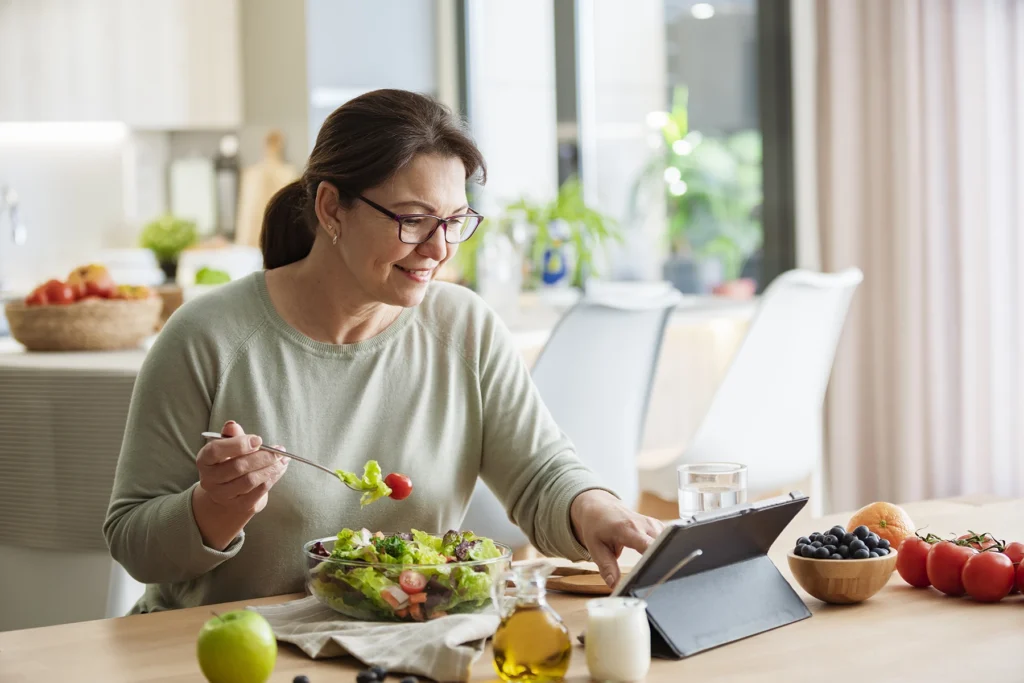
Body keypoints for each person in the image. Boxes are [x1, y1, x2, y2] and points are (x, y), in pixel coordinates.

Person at [104, 89, 664, 613]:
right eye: (414, 220)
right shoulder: (207, 337)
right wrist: (214, 509)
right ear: (331, 208)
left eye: (453, 221)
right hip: (220, 651)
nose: (439, 249)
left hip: (398, 644)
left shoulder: (464, 327)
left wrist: (596, 507)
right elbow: (133, 540)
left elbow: (541, 474)